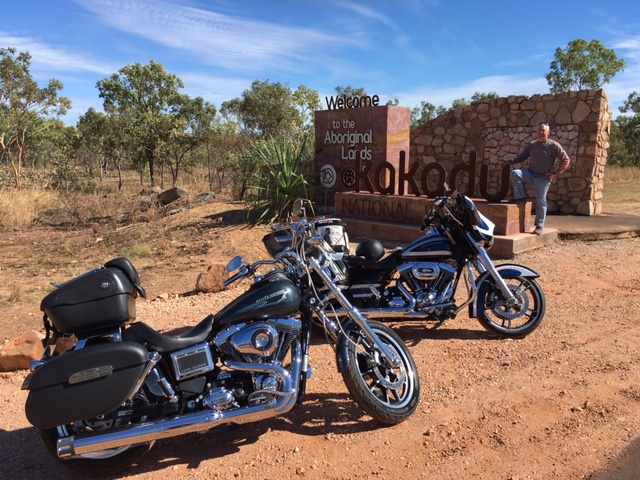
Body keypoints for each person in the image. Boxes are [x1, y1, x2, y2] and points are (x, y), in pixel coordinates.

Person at [504, 122, 570, 235]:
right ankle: (520, 198)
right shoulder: (532, 145)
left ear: (548, 132)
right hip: (530, 173)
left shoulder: (554, 146)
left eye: (543, 130)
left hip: (543, 178)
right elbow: (522, 157)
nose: (541, 132)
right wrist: (510, 162)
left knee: (541, 201)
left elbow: (566, 160)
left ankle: (539, 226)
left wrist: (556, 172)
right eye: (539, 130)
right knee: (515, 173)